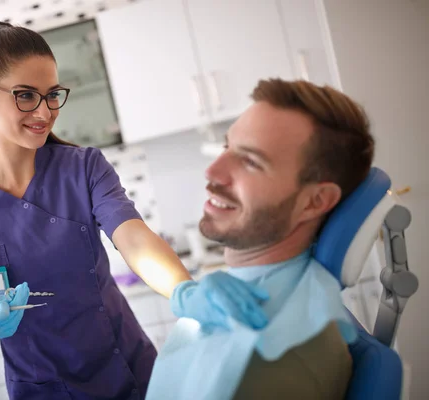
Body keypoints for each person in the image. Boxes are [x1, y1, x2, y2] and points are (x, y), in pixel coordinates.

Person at [0, 22, 269, 400]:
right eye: (25, 95)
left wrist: (185, 291)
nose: (44, 111)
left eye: (52, 94)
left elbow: (133, 238)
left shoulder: (83, 167)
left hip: (129, 372)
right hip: (41, 390)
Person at [156, 78, 375, 399]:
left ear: (314, 201)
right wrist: (185, 295)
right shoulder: (275, 292)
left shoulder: (264, 367)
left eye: (250, 161)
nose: (212, 172)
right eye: (226, 147)